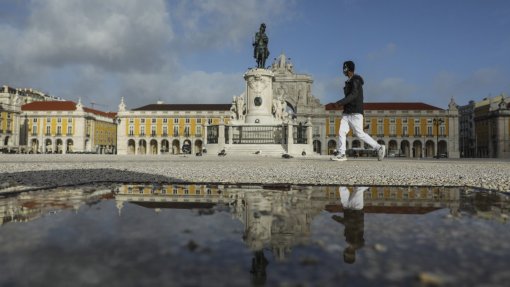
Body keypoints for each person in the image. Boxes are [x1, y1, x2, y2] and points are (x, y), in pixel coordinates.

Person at [331, 60, 385, 161]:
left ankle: (378, 147)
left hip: (355, 111)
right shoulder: (349, 81)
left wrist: (339, 103)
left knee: (359, 134)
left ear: (348, 69)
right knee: (341, 131)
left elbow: (354, 95)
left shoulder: (356, 80)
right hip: (347, 112)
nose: (343, 70)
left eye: (344, 68)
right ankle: (342, 153)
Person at [332, 186, 368, 264]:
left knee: (342, 188)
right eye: (349, 254)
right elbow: (351, 224)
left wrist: (341, 220)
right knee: (358, 190)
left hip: (347, 209)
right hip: (356, 209)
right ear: (353, 254)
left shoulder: (348, 240)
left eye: (346, 253)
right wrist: (338, 219)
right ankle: (371, 183)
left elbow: (347, 224)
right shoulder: (357, 243)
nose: (346, 251)